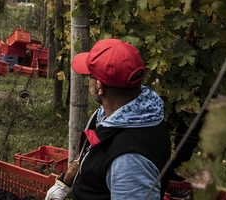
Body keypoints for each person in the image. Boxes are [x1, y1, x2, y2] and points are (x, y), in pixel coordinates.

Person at [46, 39, 171, 200]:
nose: (87, 80)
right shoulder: (123, 115)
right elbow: (92, 152)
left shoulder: (129, 160)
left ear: (100, 87)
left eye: (89, 75)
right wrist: (65, 182)